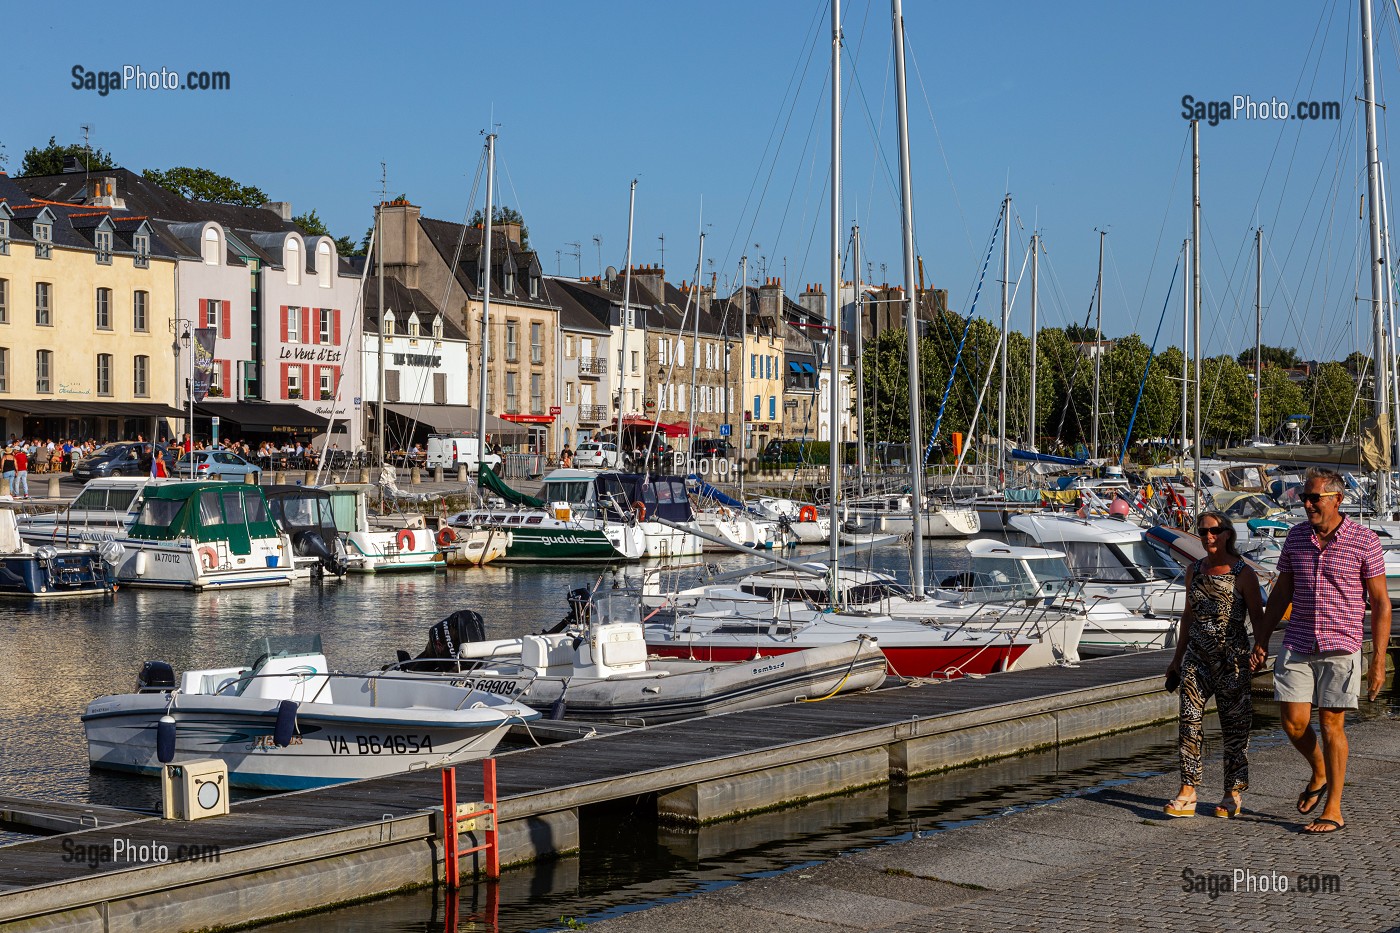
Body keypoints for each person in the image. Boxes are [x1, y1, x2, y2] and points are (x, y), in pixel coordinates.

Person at [1251, 466, 1391, 834]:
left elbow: (1380, 602)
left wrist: (1378, 659)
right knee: (1293, 723)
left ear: (1337, 499)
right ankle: (1320, 770)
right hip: (1298, 640)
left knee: (1331, 724)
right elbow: (1282, 592)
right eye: (1305, 497)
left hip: (1341, 644)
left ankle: (1334, 808)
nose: (1308, 504)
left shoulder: (1364, 540)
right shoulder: (1296, 537)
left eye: (1315, 498)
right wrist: (1261, 638)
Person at [1163, 511, 1264, 819]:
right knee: (1189, 720)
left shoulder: (1243, 573)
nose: (1208, 536)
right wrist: (1176, 659)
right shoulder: (1194, 570)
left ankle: (1232, 792)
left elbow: (1258, 618)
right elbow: (1188, 616)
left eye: (1214, 530)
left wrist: (1260, 650)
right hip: (1197, 658)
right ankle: (1188, 790)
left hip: (1232, 659)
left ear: (1227, 534)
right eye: (1203, 531)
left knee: (1235, 727)